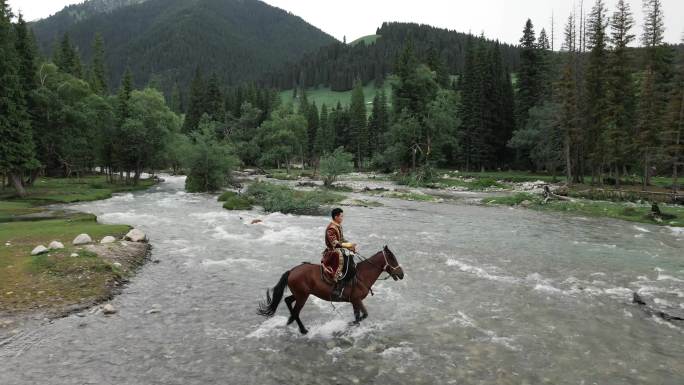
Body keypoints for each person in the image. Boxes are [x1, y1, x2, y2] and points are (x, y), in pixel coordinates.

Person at [321, 208, 357, 299]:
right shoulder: (331, 228)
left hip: (339, 249)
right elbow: (335, 243)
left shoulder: (338, 226)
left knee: (351, 262)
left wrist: (350, 245)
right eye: (341, 216)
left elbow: (342, 239)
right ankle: (338, 288)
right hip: (333, 251)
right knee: (348, 267)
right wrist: (348, 245)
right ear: (336, 217)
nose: (342, 218)